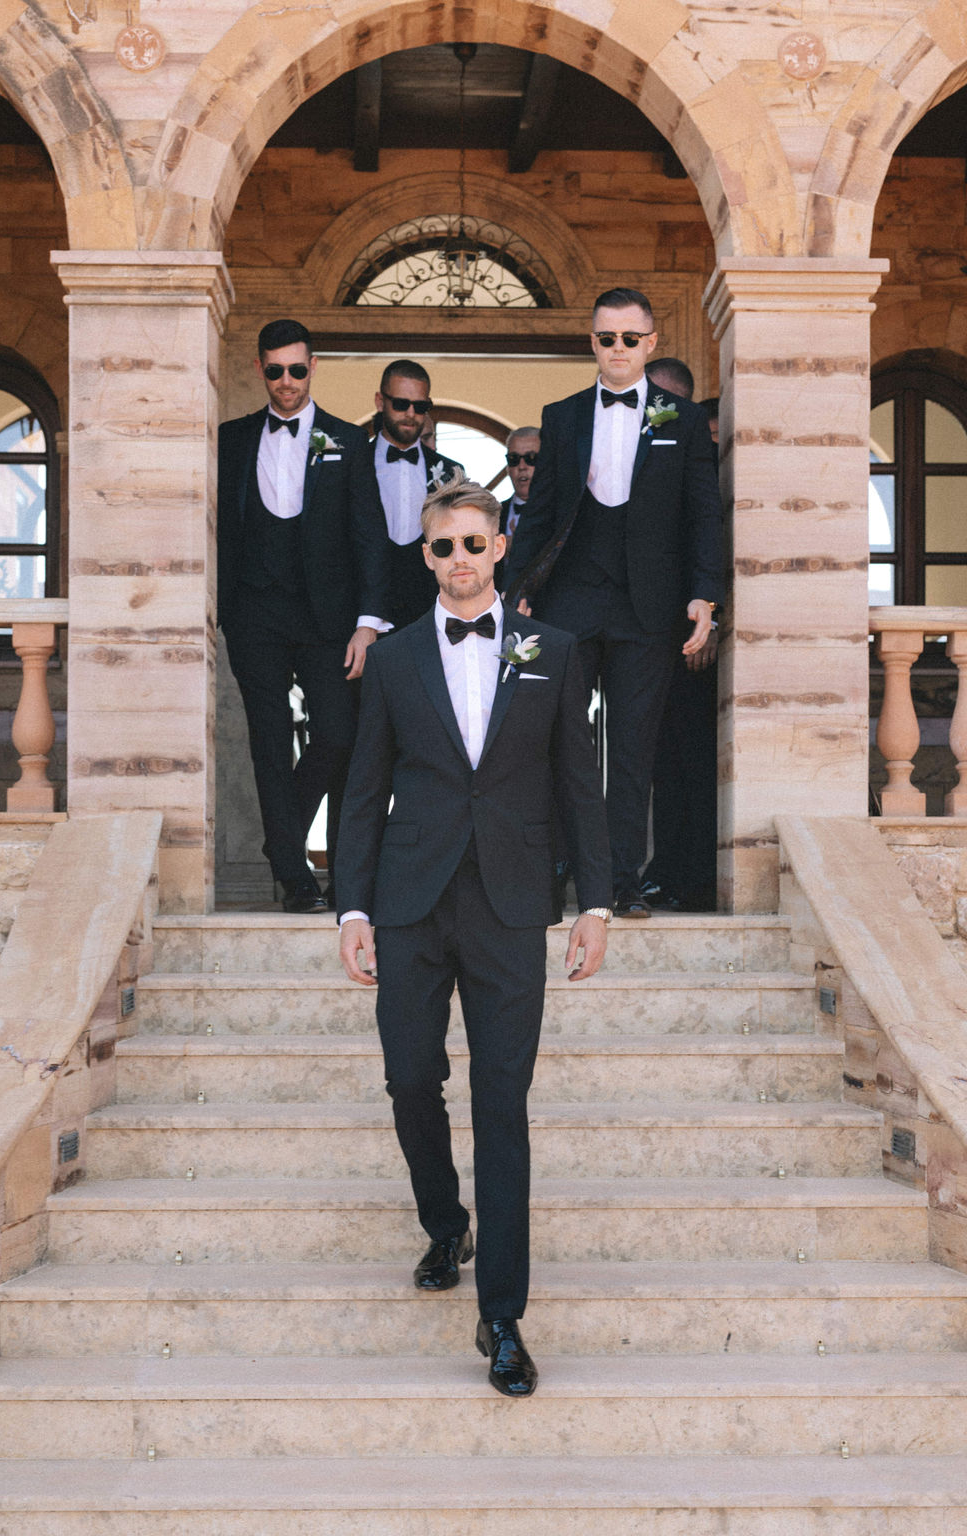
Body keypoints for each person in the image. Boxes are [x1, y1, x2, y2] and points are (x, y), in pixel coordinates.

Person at [336, 469, 613, 1398]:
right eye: (441, 545)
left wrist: (596, 902)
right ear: (427, 556)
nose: (457, 558)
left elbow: (580, 780)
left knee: (503, 1103)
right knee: (411, 1077)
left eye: (472, 542)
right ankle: (443, 1221)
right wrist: (353, 908)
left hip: (509, 901)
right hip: (410, 901)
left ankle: (502, 1316)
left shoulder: (554, 648)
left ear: (498, 548)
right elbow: (363, 791)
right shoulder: (399, 655)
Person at [503, 287, 724, 918]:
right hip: (569, 604)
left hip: (648, 612)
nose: (618, 349)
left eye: (631, 338)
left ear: (651, 344)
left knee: (632, 752)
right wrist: (516, 593)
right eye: (607, 338)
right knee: (561, 744)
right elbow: (540, 515)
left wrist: (705, 596)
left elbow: (703, 517)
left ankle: (621, 883)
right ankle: (556, 873)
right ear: (592, 342)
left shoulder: (680, 421)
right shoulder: (563, 415)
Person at [218, 317, 391, 912]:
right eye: (274, 370)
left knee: (338, 734)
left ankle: (282, 839)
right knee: (267, 742)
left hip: (329, 621)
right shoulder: (231, 439)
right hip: (255, 615)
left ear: (312, 367)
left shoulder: (349, 440)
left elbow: (370, 536)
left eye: (296, 369)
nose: (286, 381)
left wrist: (369, 622)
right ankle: (295, 879)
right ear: (261, 369)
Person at [641, 370, 719, 912]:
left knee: (695, 759)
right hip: (652, 630)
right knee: (662, 761)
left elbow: (713, 539)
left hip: (699, 633)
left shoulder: (709, 451)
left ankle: (695, 877)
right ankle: (667, 870)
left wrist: (712, 617)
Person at [371, 361, 462, 630]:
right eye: (400, 404)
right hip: (364, 617)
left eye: (420, 406)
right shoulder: (354, 464)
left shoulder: (450, 471)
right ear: (380, 401)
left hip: (429, 615)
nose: (410, 414)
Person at [501, 426, 541, 547]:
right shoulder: (491, 515)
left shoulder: (564, 513)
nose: (522, 466)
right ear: (508, 468)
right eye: (514, 459)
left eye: (531, 458)